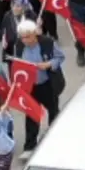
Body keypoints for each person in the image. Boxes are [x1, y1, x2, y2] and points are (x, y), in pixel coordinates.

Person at [8, 19, 66, 150]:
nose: (25, 41)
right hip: (30, 87)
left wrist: (48, 64)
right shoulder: (19, 45)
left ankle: (55, 138)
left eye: (28, 37)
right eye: (22, 37)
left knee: (53, 112)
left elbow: (60, 57)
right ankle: (30, 146)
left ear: (34, 33)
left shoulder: (47, 42)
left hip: (47, 84)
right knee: (31, 115)